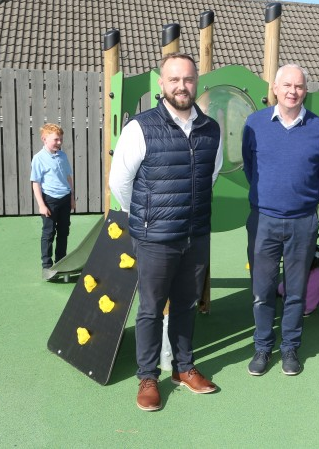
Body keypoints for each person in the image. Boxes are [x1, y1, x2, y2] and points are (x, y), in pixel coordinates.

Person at [109, 53, 223, 411]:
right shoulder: (140, 128)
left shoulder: (211, 129)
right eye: (174, 80)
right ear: (162, 84)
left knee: (187, 305)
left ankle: (183, 368)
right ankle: (147, 376)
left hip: (195, 235)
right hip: (155, 238)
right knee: (151, 308)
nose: (181, 86)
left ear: (196, 82)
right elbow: (120, 183)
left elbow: (211, 175)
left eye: (187, 79)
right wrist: (144, 219)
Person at [242, 63, 319, 376]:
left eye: (298, 86)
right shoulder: (254, 124)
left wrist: (303, 199)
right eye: (287, 86)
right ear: (275, 89)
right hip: (263, 221)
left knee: (295, 292)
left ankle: (290, 348)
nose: (293, 92)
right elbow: (249, 167)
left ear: (305, 91)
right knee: (262, 290)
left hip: (303, 222)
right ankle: (262, 347)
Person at [31, 123, 76, 280]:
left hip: (64, 199)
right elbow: (35, 182)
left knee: (64, 232)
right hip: (49, 201)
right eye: (56, 139)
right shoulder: (38, 159)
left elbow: (68, 178)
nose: (59, 142)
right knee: (49, 233)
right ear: (44, 139)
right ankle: (47, 267)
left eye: (61, 139)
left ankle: (61, 263)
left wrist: (71, 197)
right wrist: (41, 205)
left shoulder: (62, 156)